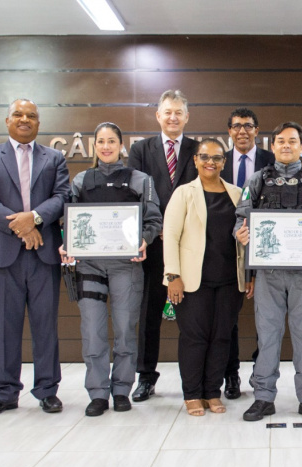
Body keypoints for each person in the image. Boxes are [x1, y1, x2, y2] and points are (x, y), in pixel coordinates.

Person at [235, 122, 302, 422]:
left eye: (292, 141)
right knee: (268, 336)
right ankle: (263, 397)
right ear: (272, 146)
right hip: (269, 273)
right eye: (280, 141)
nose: (285, 145)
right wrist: (240, 234)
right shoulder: (257, 180)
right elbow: (240, 217)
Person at [0, 99, 69, 417]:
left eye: (31, 116)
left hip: (43, 256)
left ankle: (46, 391)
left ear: (39, 123)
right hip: (3, 256)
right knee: (3, 327)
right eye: (18, 114)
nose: (24, 119)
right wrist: (22, 227)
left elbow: (62, 197)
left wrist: (36, 218)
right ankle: (5, 392)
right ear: (7, 120)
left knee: (45, 326)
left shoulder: (54, 157)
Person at [59, 123, 162, 417]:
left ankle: (121, 390)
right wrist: (67, 244)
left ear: (121, 146)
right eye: (101, 142)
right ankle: (98, 393)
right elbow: (68, 220)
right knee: (92, 331)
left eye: (112, 141)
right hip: (89, 265)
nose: (106, 146)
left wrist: (144, 240)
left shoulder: (141, 179)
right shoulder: (80, 180)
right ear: (95, 146)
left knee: (126, 330)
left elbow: (154, 219)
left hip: (126, 267)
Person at [163, 138, 247, 416]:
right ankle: (192, 393)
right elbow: (171, 236)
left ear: (224, 162)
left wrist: (250, 275)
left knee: (222, 336)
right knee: (194, 338)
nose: (210, 162)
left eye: (217, 158)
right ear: (196, 160)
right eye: (205, 157)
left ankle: (212, 391)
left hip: (229, 280)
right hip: (190, 281)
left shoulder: (237, 193)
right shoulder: (184, 193)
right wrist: (172, 276)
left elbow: (246, 238)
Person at [128, 89, 199, 402]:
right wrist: (155, 228)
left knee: (194, 314)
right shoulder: (141, 150)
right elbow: (135, 196)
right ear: (158, 115)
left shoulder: (199, 150)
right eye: (167, 112)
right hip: (153, 247)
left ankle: (195, 379)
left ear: (186, 117)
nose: (173, 117)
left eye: (178, 112)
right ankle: (146, 377)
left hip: (190, 246)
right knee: (149, 312)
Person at [219, 107, 273, 400]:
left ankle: (260, 367)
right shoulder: (219, 161)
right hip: (226, 249)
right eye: (237, 126)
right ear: (229, 131)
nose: (242, 131)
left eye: (248, 125)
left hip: (265, 248)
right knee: (230, 316)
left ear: (257, 130)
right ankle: (231, 375)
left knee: (266, 314)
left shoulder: (271, 160)